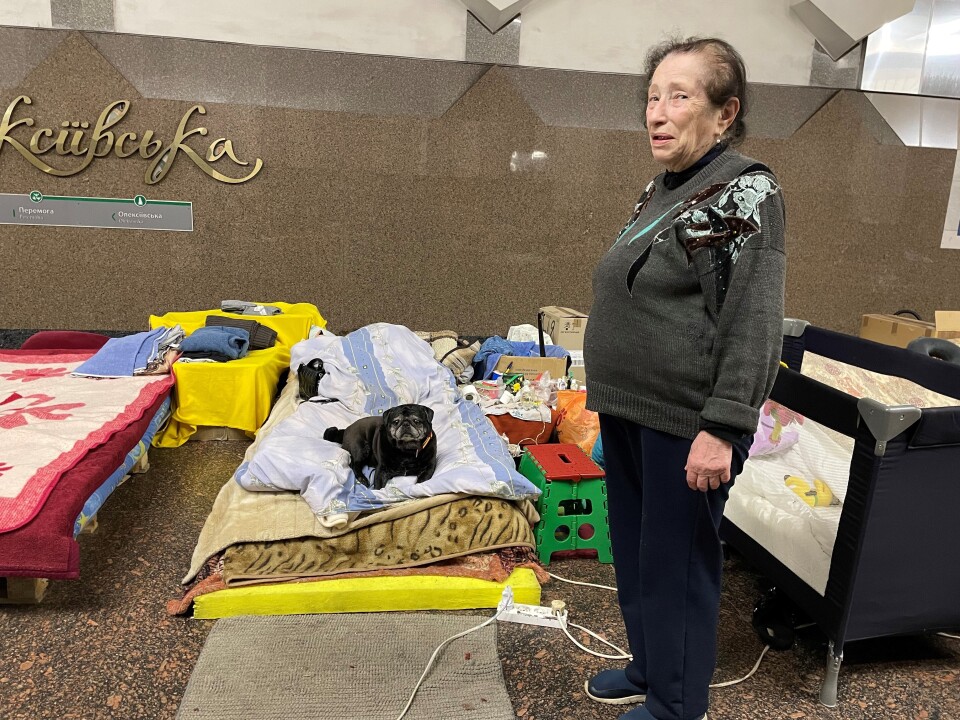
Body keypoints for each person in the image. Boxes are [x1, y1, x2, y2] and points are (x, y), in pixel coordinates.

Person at [581, 36, 786, 720]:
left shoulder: (743, 190)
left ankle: (676, 705)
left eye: (679, 96)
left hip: (684, 421)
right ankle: (650, 667)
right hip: (631, 409)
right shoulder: (666, 186)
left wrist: (723, 428)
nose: (657, 113)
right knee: (639, 556)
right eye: (651, 97)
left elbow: (752, 318)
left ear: (725, 114)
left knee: (678, 564)